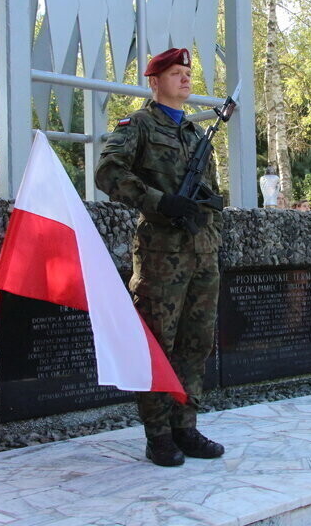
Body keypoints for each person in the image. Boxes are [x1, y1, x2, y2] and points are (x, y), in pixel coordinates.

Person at [94, 47, 224, 467]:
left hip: (202, 254)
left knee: (195, 344)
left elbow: (211, 194)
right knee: (157, 346)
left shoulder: (193, 133)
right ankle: (159, 434)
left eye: (188, 72)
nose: (186, 80)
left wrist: (210, 220)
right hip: (161, 256)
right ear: (155, 81)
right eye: (176, 73)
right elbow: (108, 171)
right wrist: (159, 202)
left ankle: (186, 425)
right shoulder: (139, 125)